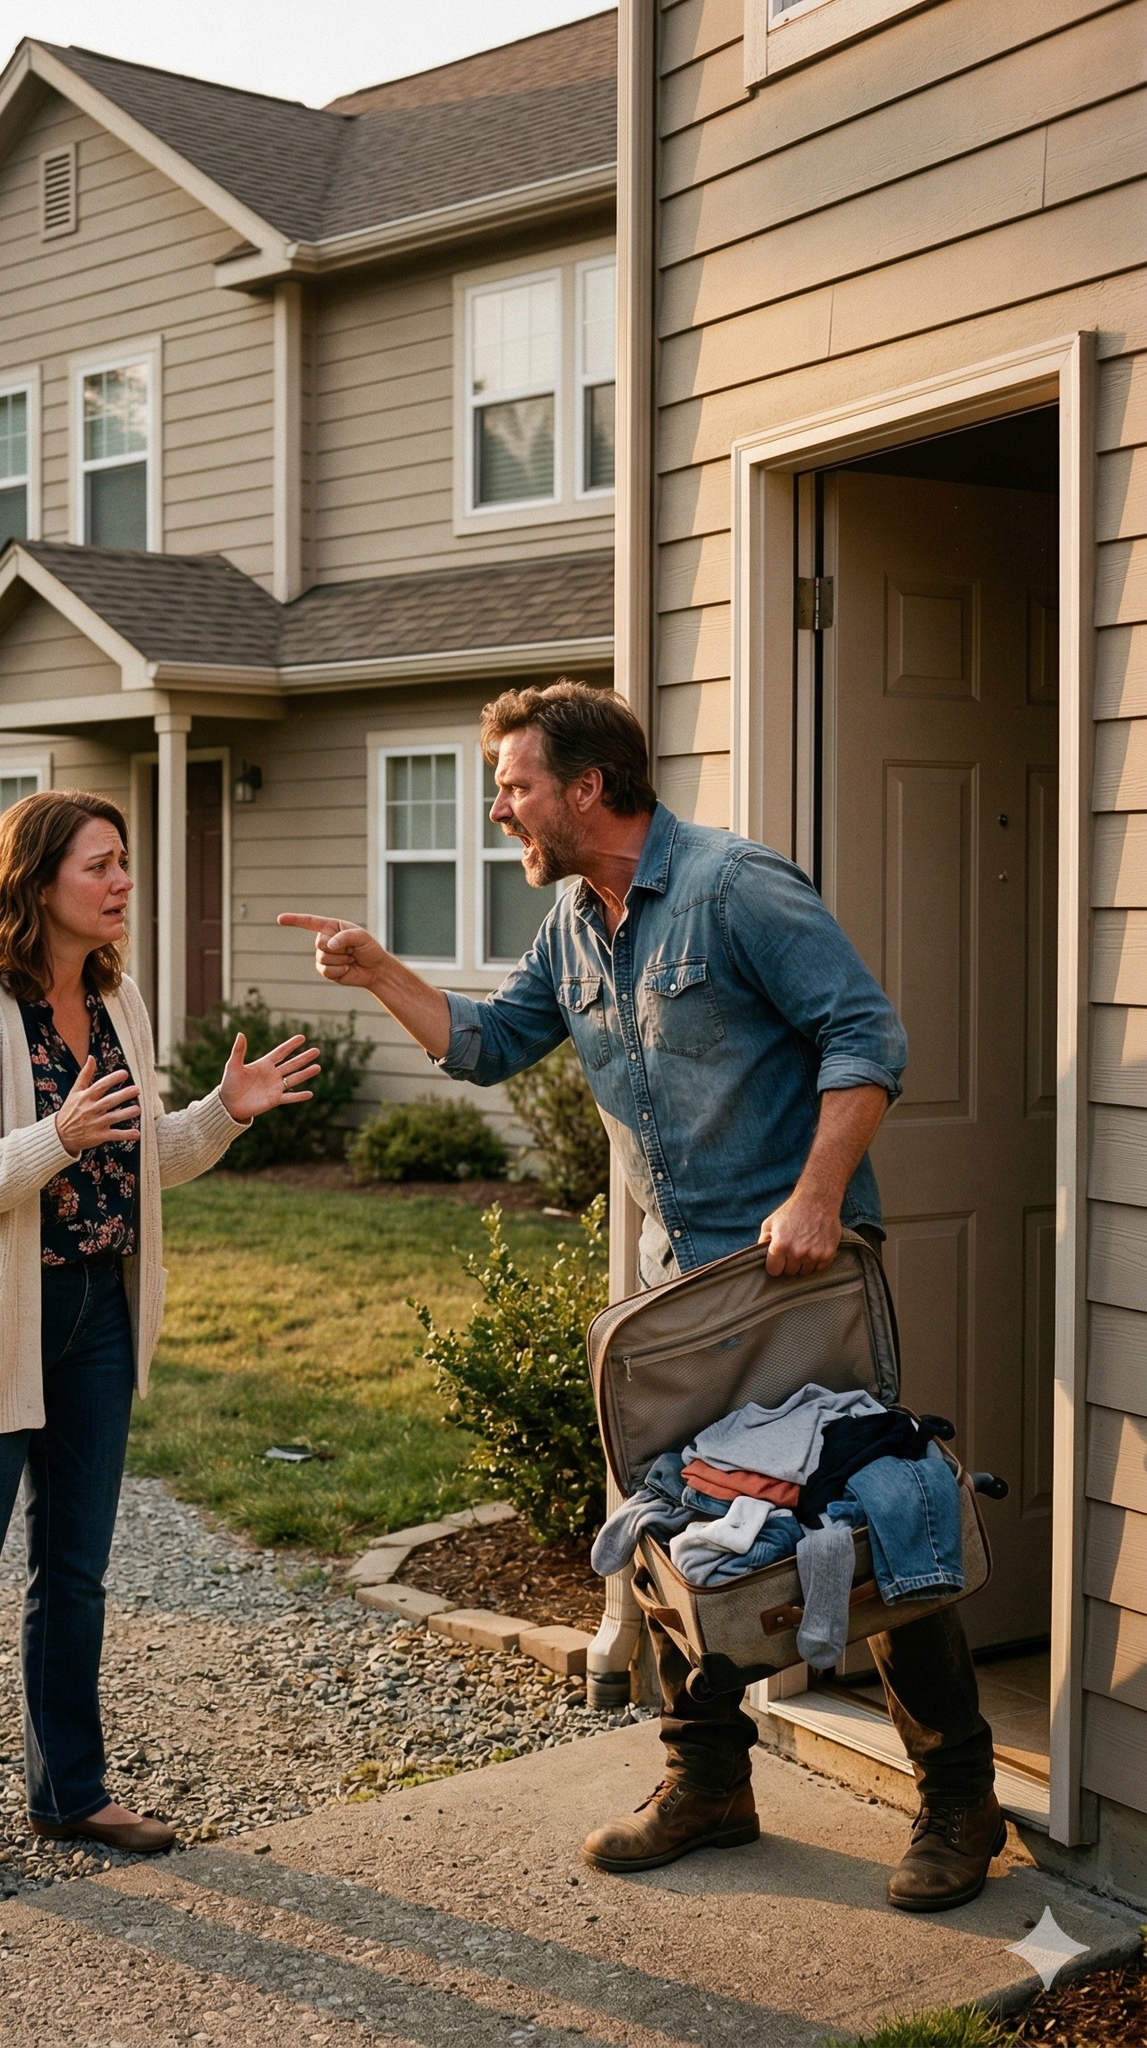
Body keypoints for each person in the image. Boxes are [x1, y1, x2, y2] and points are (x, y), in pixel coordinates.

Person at [280, 680, 1003, 1913]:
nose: (501, 807)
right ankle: (709, 1782)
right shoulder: (573, 921)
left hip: (796, 1271)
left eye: (514, 786)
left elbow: (865, 1036)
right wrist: (377, 968)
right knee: (676, 1521)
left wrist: (820, 1193)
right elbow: (491, 1042)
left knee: (864, 1510)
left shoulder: (733, 887)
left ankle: (958, 1799)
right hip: (683, 1287)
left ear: (588, 788)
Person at [0, 789, 319, 1896]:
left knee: (72, 1574)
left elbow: (140, 1160)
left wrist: (226, 1109)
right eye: (102, 864)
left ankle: (70, 1789)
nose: (124, 880)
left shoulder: (115, 1001)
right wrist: (54, 1134)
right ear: (37, 883)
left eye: (125, 861)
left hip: (93, 1322)